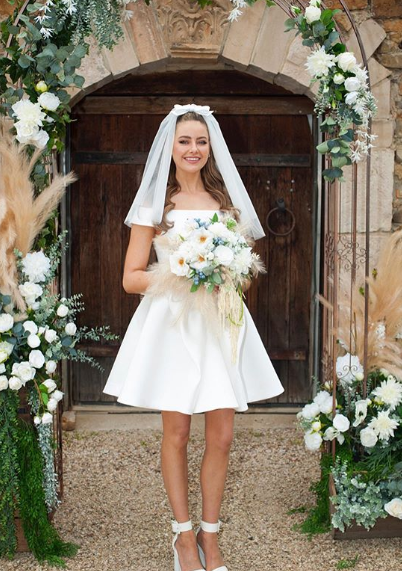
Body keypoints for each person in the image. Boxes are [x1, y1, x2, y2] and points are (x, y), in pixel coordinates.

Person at [103, 104, 284, 571]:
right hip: (173, 326)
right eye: (184, 141)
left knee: (221, 436)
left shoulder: (226, 206)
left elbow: (244, 276)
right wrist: (182, 272)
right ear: (170, 146)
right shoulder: (154, 207)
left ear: (211, 148)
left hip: (220, 324)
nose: (193, 149)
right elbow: (130, 278)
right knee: (178, 432)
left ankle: (211, 535)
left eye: (200, 141)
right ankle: (183, 538)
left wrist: (227, 272)